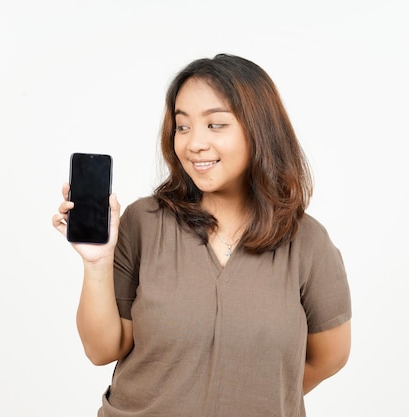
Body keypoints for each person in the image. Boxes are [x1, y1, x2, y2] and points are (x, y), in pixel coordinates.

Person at [52, 53, 352, 417]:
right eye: (182, 126)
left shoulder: (306, 242)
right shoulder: (144, 222)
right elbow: (101, 350)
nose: (194, 144)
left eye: (216, 125)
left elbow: (330, 356)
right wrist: (97, 262)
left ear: (259, 129)